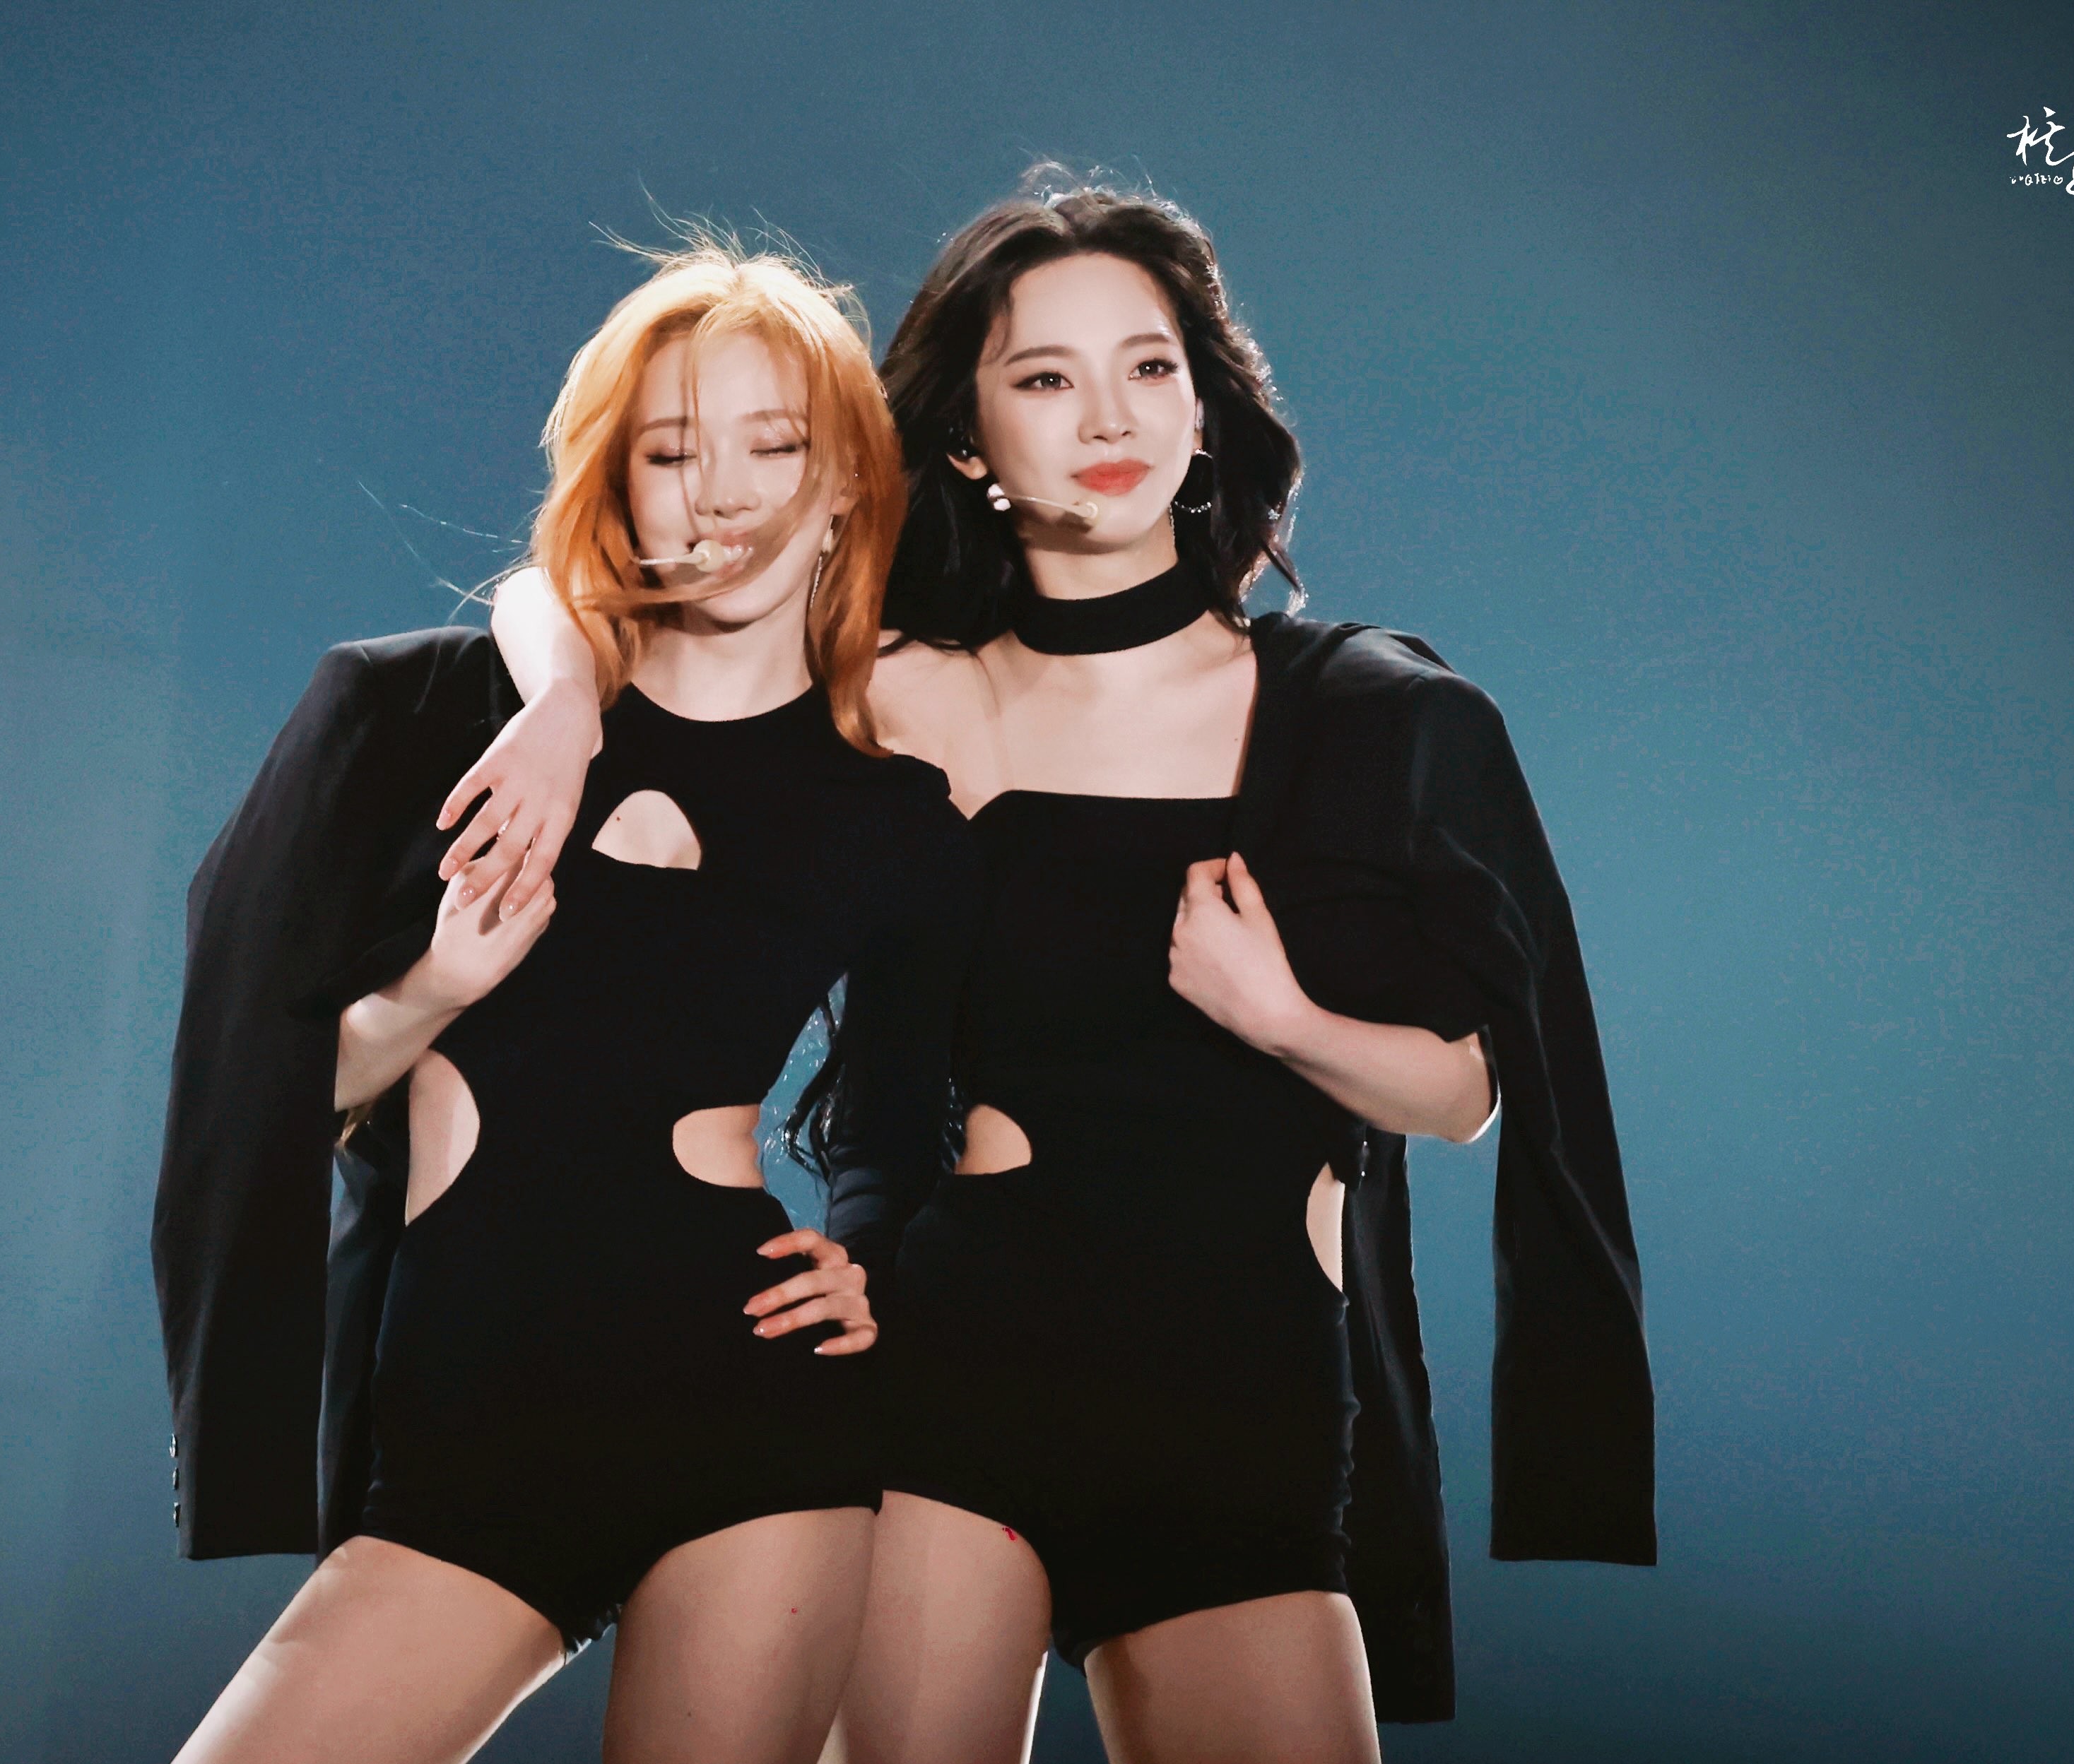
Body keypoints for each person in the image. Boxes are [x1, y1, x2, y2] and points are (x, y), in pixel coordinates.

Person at [452, 171, 1653, 1764]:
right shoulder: (901, 688)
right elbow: (582, 587)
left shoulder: (1368, 716)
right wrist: (561, 709)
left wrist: (1283, 1018)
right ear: (964, 438)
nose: (1109, 416)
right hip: (953, 1376)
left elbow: (1466, 1096)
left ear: (1205, 406)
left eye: (1149, 366)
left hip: (1246, 1403)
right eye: (1042, 377)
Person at [151, 239, 975, 1764]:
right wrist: (436, 983)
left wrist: (867, 1259)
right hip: (469, 1425)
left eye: (774, 447)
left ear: (848, 487)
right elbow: (259, 1088)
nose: (721, 495)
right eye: (670, 452)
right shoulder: (425, 717)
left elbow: (898, 1122)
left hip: (757, 1412)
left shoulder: (894, 816)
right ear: (617, 481)